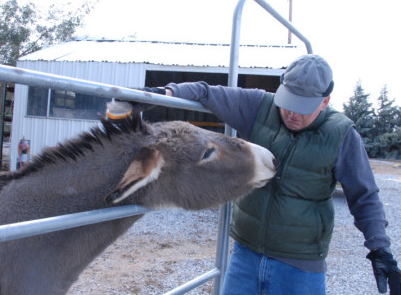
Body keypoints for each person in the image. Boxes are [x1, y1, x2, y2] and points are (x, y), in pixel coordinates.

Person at [146, 54, 401, 294]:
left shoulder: (342, 135)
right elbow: (206, 91)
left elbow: (364, 196)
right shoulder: (260, 107)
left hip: (300, 265)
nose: (292, 114)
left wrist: (380, 249)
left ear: (325, 101)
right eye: (288, 102)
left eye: (303, 107)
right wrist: (163, 94)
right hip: (245, 254)